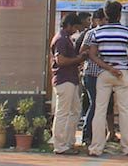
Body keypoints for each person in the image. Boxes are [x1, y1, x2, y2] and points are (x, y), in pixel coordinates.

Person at [86, 0, 128, 157]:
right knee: (124, 110)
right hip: (122, 73)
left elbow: (92, 55)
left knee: (100, 110)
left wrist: (108, 68)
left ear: (106, 14)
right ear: (120, 14)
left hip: (105, 74)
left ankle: (96, 148)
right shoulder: (127, 32)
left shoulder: (97, 32)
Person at [49, 13, 86, 155]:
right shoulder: (61, 39)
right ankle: (59, 145)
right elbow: (61, 61)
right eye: (75, 27)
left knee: (75, 111)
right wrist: (78, 59)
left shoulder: (66, 38)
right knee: (63, 112)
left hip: (71, 79)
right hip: (64, 79)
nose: (76, 30)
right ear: (69, 25)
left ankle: (68, 141)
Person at [77, 8, 105, 149]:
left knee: (100, 105)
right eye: (102, 19)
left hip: (103, 74)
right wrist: (94, 52)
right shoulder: (91, 33)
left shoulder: (106, 33)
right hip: (92, 73)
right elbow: (82, 51)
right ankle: (87, 134)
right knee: (95, 104)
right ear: (96, 20)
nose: (105, 22)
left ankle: (97, 134)